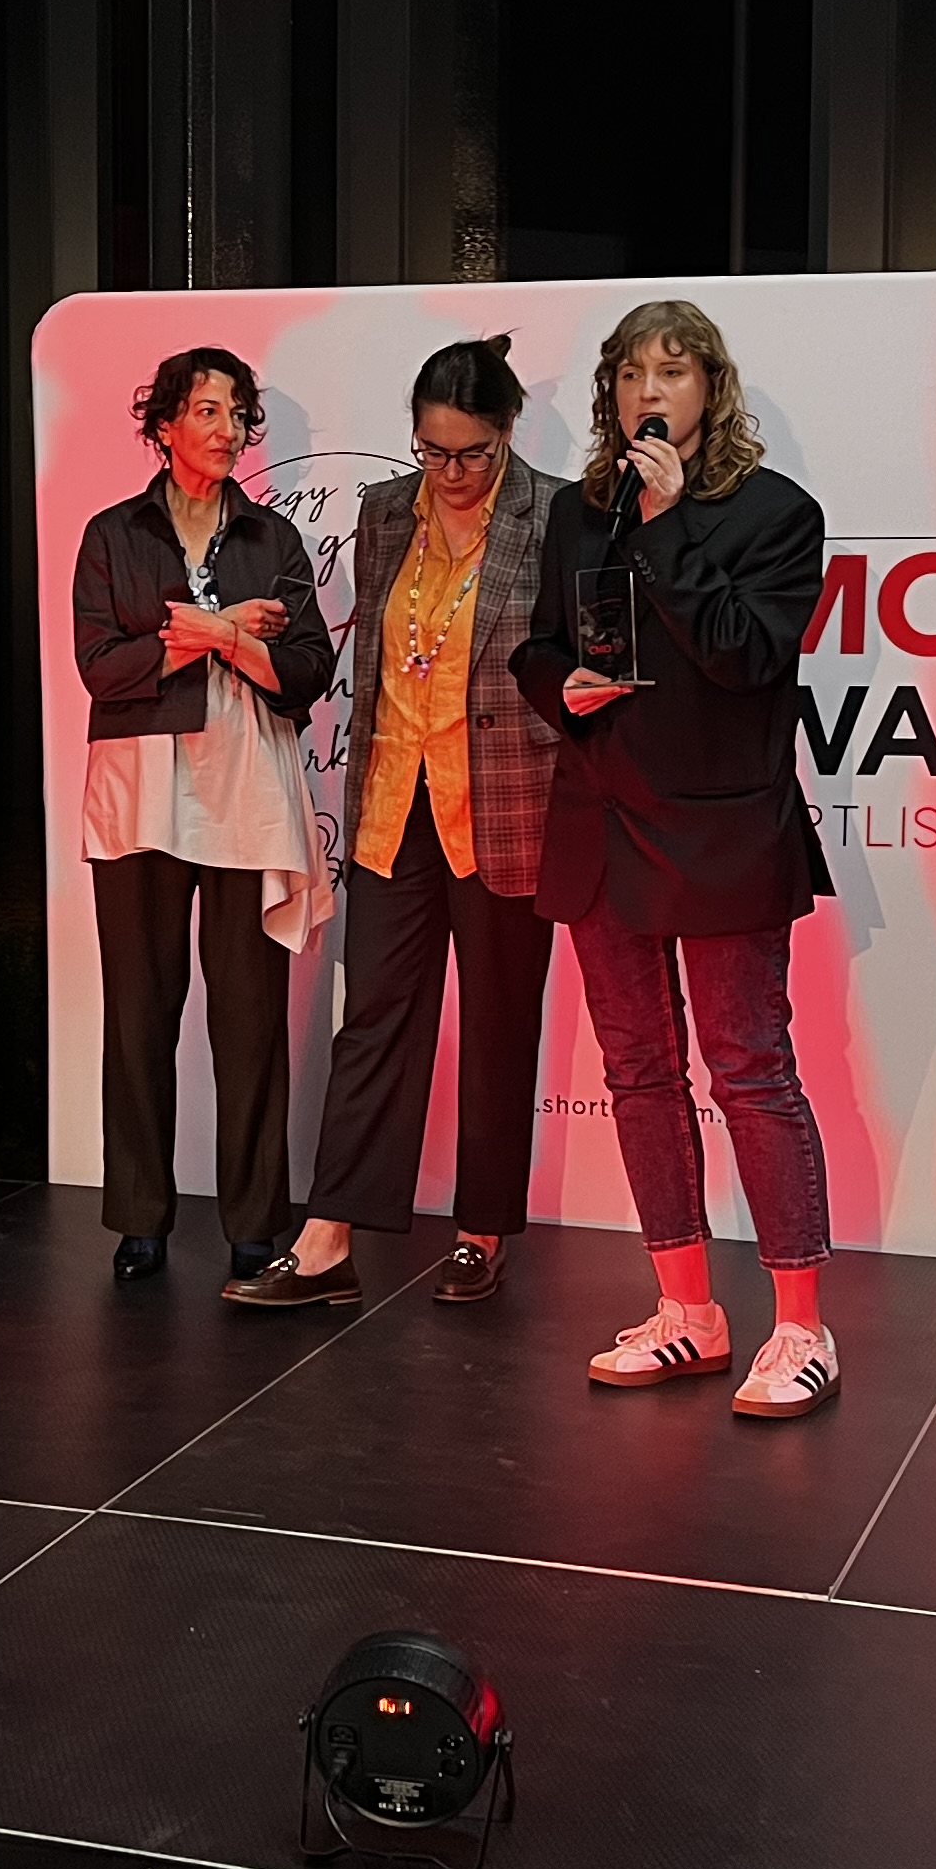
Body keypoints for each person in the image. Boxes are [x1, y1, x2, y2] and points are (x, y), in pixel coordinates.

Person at [511, 300, 841, 1419]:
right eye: (629, 375)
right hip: (600, 821)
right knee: (639, 1072)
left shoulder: (776, 512)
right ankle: (687, 1309)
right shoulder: (579, 511)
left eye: (672, 372)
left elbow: (748, 656)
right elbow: (540, 644)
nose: (648, 393)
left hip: (721, 829)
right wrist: (559, 686)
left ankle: (800, 1325)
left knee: (750, 1070)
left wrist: (663, 522)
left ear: (712, 389)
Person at [232, 336, 559, 1312]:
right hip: (392, 803)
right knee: (372, 1019)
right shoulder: (382, 513)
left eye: (472, 453)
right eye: (433, 450)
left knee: (498, 1025)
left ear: (507, 432)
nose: (451, 473)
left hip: (502, 807)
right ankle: (329, 1236)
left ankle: (480, 1232)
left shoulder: (554, 516)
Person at [74, 346, 333, 1284]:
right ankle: (139, 1218)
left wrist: (215, 636)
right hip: (139, 791)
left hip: (245, 791)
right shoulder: (113, 533)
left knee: (251, 1019)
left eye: (237, 415)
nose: (227, 432)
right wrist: (203, 638)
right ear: (165, 425)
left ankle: (256, 1222)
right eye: (208, 412)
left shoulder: (273, 538)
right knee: (139, 1013)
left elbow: (308, 669)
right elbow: (100, 667)